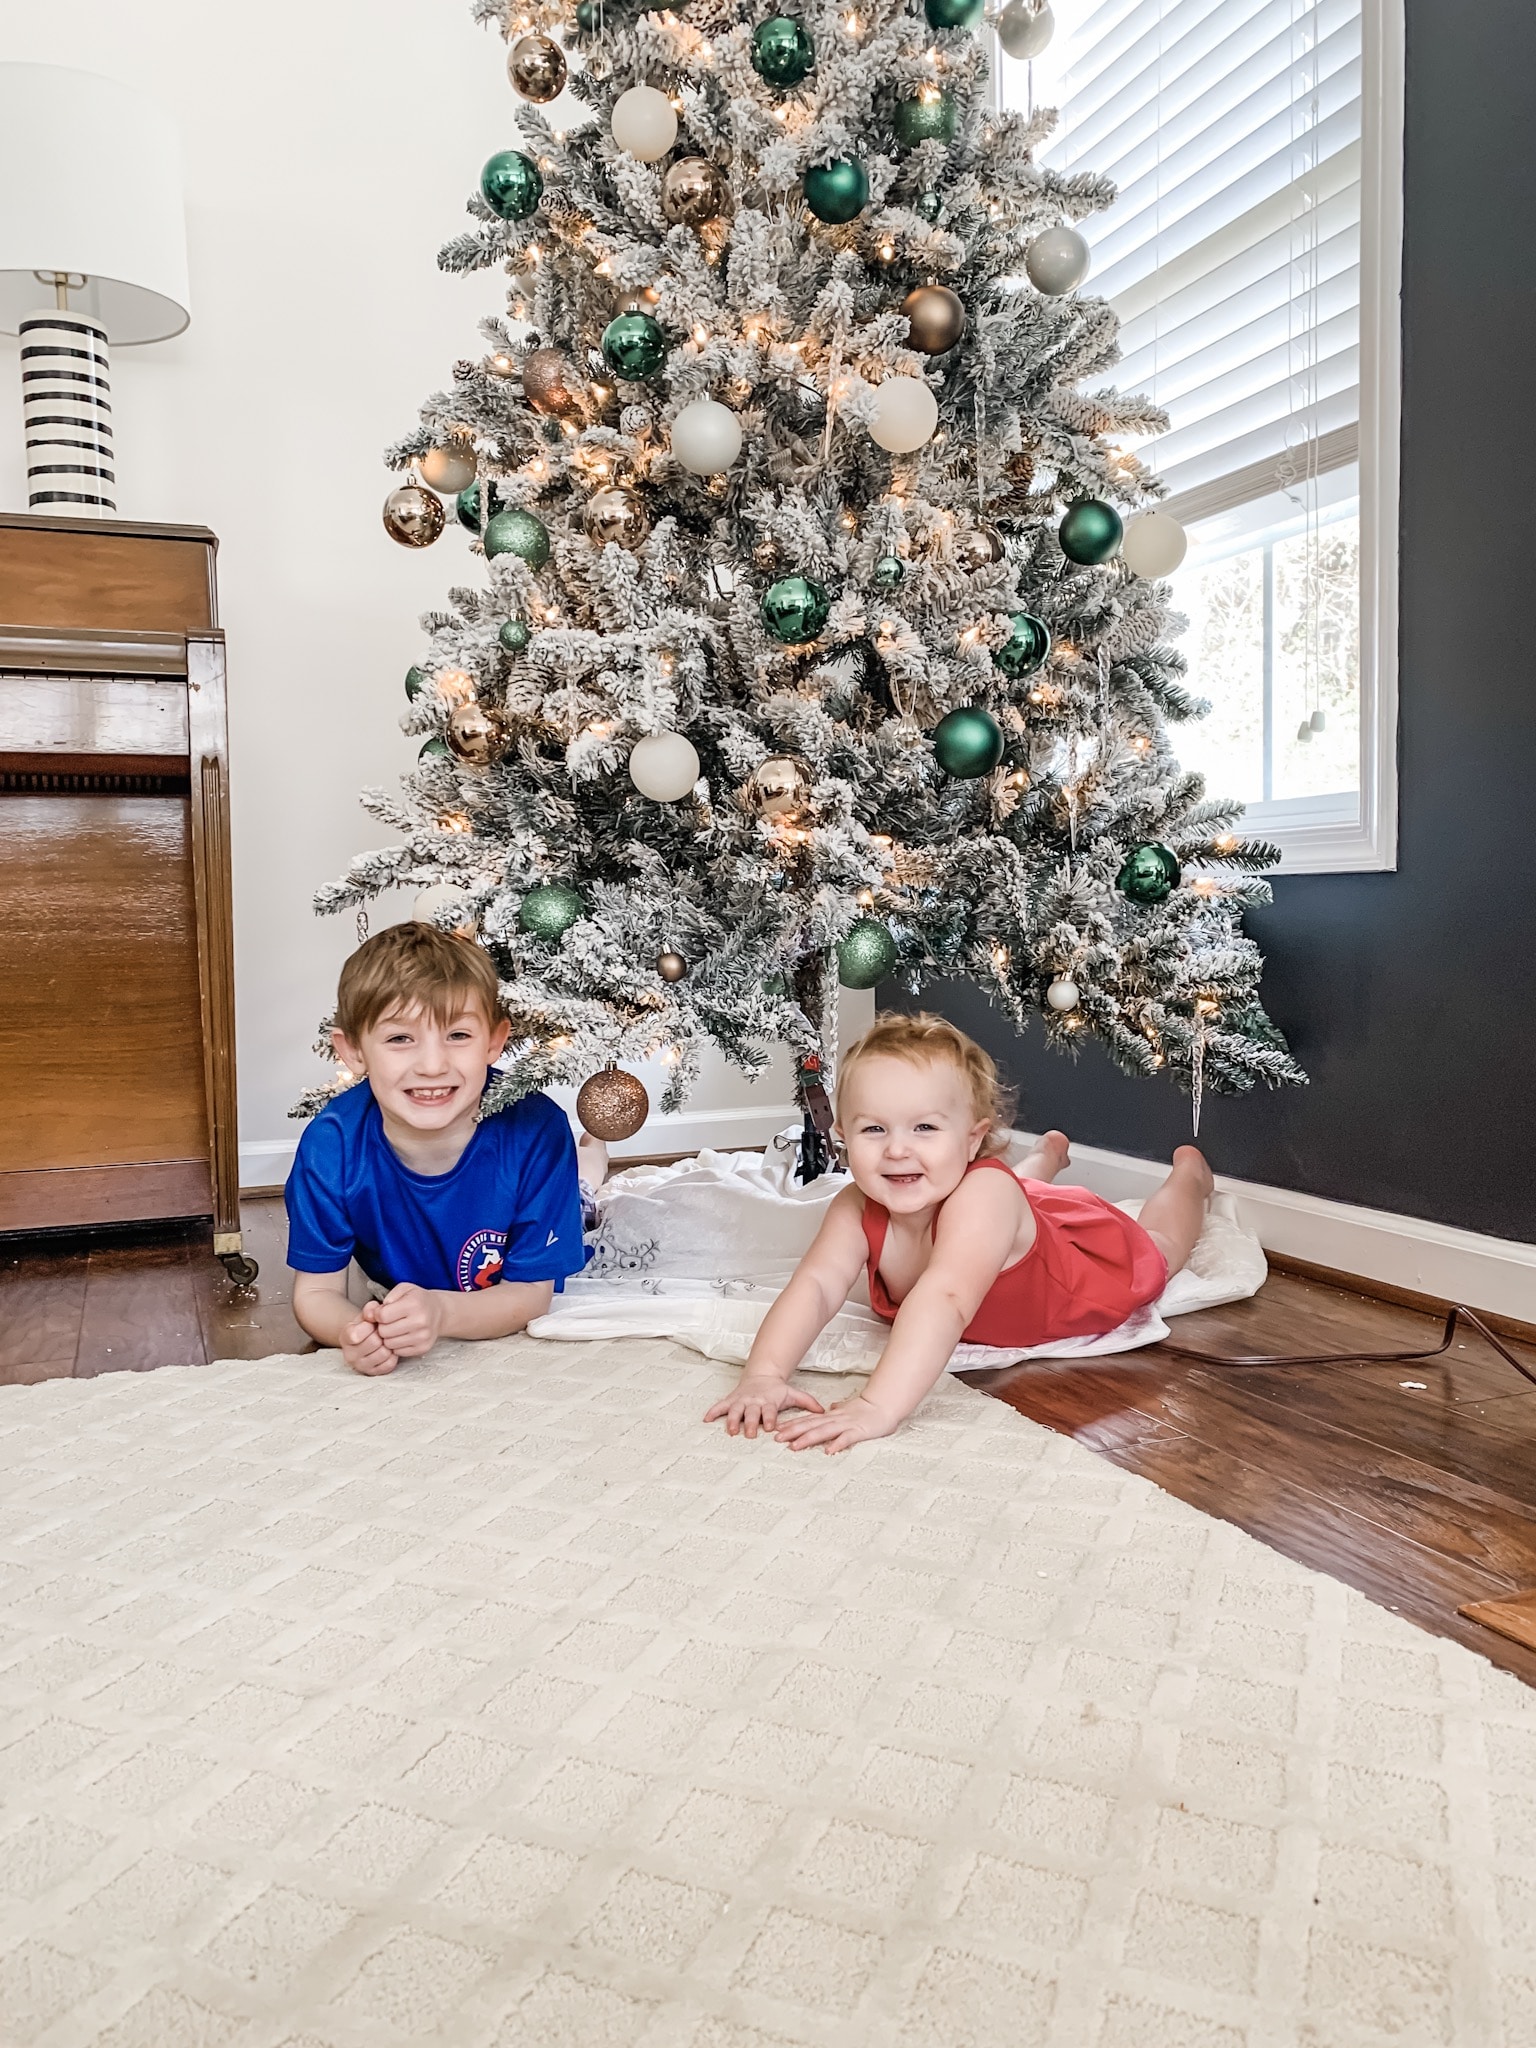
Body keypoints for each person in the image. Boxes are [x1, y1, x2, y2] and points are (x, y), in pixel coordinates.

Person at [705, 1011, 1213, 1453]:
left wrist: (877, 1405)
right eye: (873, 1129)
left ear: (973, 1140)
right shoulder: (854, 1205)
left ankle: (1190, 1178)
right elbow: (814, 1287)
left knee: (1157, 1250)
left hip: (1066, 1280)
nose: (897, 1149)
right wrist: (763, 1376)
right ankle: (1046, 1159)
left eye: (924, 1128)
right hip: (994, 1214)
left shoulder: (982, 1195)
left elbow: (946, 1296)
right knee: (1010, 1196)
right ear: (843, 1139)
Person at [286, 922, 605, 1375]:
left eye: (458, 1035)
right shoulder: (330, 1146)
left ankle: (593, 1156)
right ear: (353, 1051)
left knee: (583, 1199)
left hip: (538, 1217)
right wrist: (357, 1331)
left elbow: (531, 1295)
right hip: (421, 1279)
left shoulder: (537, 1130)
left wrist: (440, 1313)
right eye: (400, 1038)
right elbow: (316, 1295)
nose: (433, 1066)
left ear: (494, 1042)